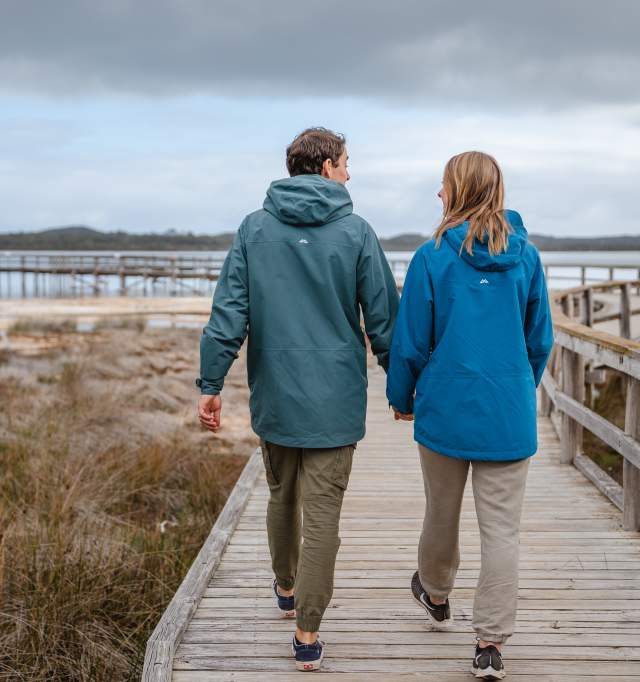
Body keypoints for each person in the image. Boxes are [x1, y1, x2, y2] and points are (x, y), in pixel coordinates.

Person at [197, 127, 399, 672]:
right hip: (335, 398)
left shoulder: (253, 229)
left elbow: (228, 313)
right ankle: (308, 633)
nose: (351, 173)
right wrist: (402, 388)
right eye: (347, 162)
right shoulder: (357, 232)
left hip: (276, 393)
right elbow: (384, 320)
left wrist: (211, 384)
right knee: (323, 515)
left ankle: (287, 589)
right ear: (327, 166)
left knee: (282, 495)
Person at [386, 151, 554, 681]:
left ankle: (435, 593)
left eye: (442, 186)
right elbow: (539, 340)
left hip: (445, 409)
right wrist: (516, 388)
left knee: (441, 512)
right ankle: (489, 643)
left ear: (457, 191)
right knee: (501, 531)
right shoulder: (526, 258)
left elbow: (410, 341)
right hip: (507, 414)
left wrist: (401, 396)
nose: (438, 195)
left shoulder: (432, 256)